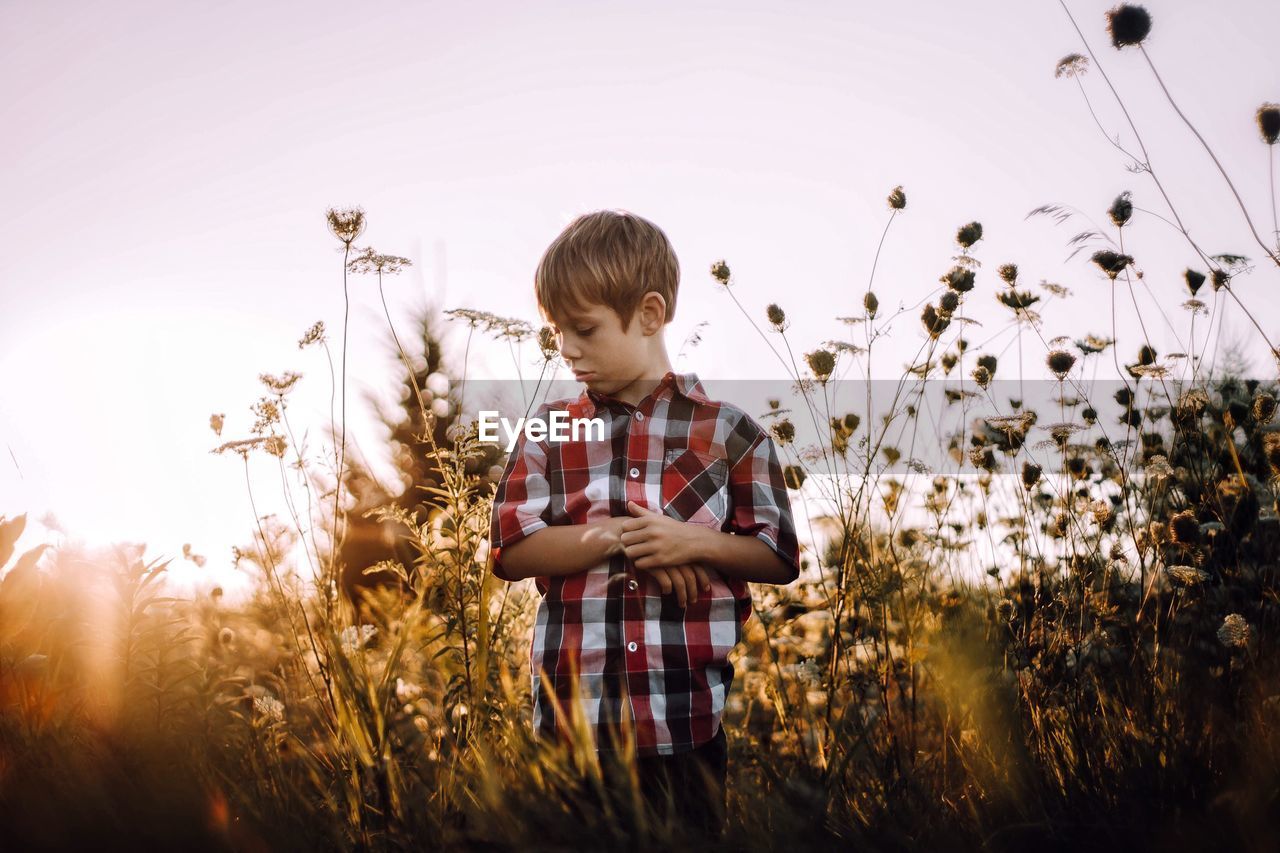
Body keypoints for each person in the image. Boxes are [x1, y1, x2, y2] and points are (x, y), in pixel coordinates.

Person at [488, 209, 801, 839]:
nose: (567, 350)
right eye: (557, 333)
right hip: (574, 726)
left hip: (685, 722)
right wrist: (627, 538)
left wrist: (696, 543)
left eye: (584, 329)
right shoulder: (549, 429)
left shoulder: (730, 433)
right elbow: (512, 548)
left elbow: (778, 555)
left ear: (650, 315)